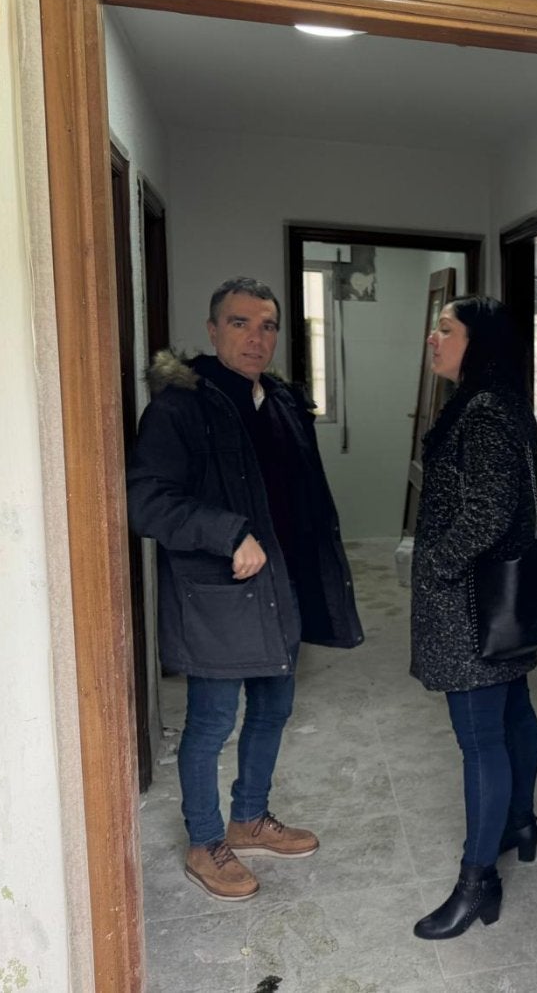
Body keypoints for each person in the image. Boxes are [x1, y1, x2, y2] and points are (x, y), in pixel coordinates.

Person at [127, 276, 364, 902]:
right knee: (209, 725)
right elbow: (146, 501)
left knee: (274, 708)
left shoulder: (282, 401)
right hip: (220, 592)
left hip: (280, 585)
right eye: (239, 324)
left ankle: (249, 817)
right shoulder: (180, 406)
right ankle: (206, 841)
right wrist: (229, 533)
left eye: (267, 326)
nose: (255, 338)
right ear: (212, 331)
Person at [410, 296, 537, 939]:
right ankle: (519, 821)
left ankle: (477, 882)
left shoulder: (483, 413)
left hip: (469, 604)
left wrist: (435, 562)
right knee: (513, 709)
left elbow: (488, 513)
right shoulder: (502, 402)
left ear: (477, 342)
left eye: (446, 330)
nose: (433, 340)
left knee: (479, 738)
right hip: (499, 601)